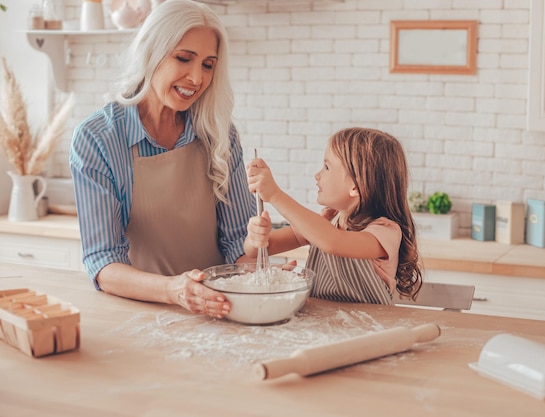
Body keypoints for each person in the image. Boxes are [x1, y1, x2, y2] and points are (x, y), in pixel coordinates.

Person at [69, 0, 256, 318]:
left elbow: (239, 241)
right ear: (151, 51)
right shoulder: (98, 138)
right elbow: (103, 262)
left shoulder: (218, 133)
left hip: (218, 309)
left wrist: (258, 276)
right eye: (184, 58)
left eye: (208, 65)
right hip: (143, 314)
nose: (196, 78)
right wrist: (175, 290)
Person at [245, 127, 422, 305]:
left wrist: (275, 195)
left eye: (327, 167)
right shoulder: (325, 224)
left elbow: (333, 242)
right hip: (322, 327)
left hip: (367, 329)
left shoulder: (385, 232)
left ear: (355, 185)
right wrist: (256, 237)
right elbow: (255, 251)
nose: (317, 175)